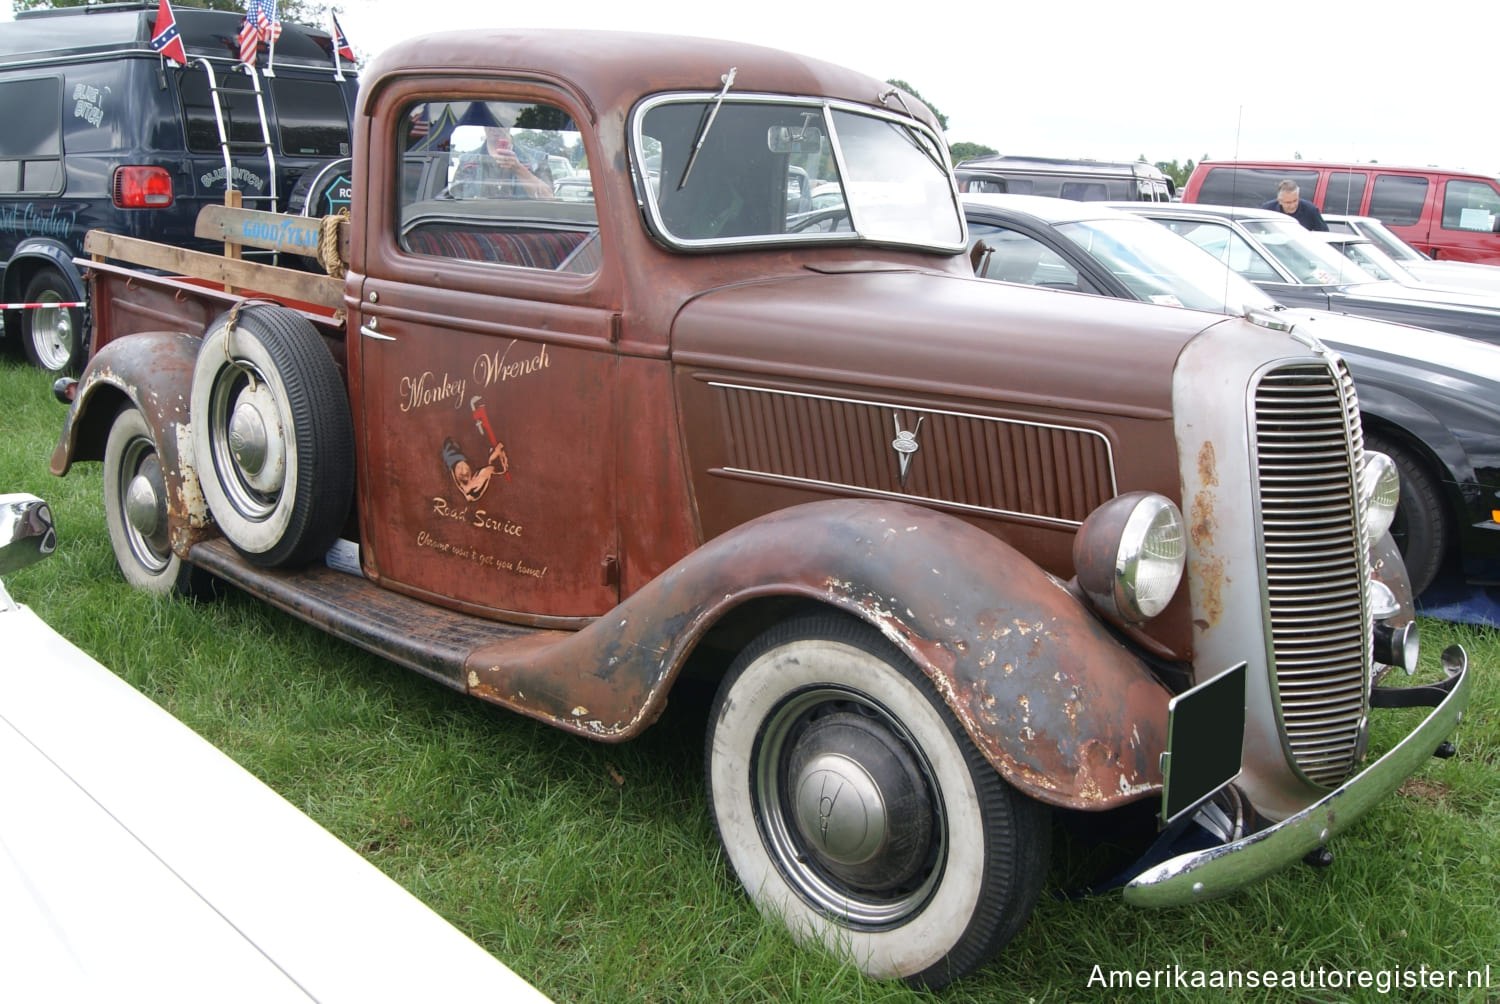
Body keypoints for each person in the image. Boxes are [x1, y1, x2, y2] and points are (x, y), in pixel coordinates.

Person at [450, 126, 552, 199]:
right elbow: (453, 204)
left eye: (500, 121)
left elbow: (549, 199)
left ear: (511, 122)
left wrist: (518, 169)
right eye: (489, 120)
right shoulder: (467, 162)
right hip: (477, 227)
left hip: (521, 226)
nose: (495, 126)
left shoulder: (537, 160)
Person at [1261, 180, 1328, 231]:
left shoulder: (1310, 210)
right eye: (1288, 202)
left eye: (1295, 200)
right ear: (1279, 201)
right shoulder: (1267, 210)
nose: (1293, 205)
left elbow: (1324, 234)